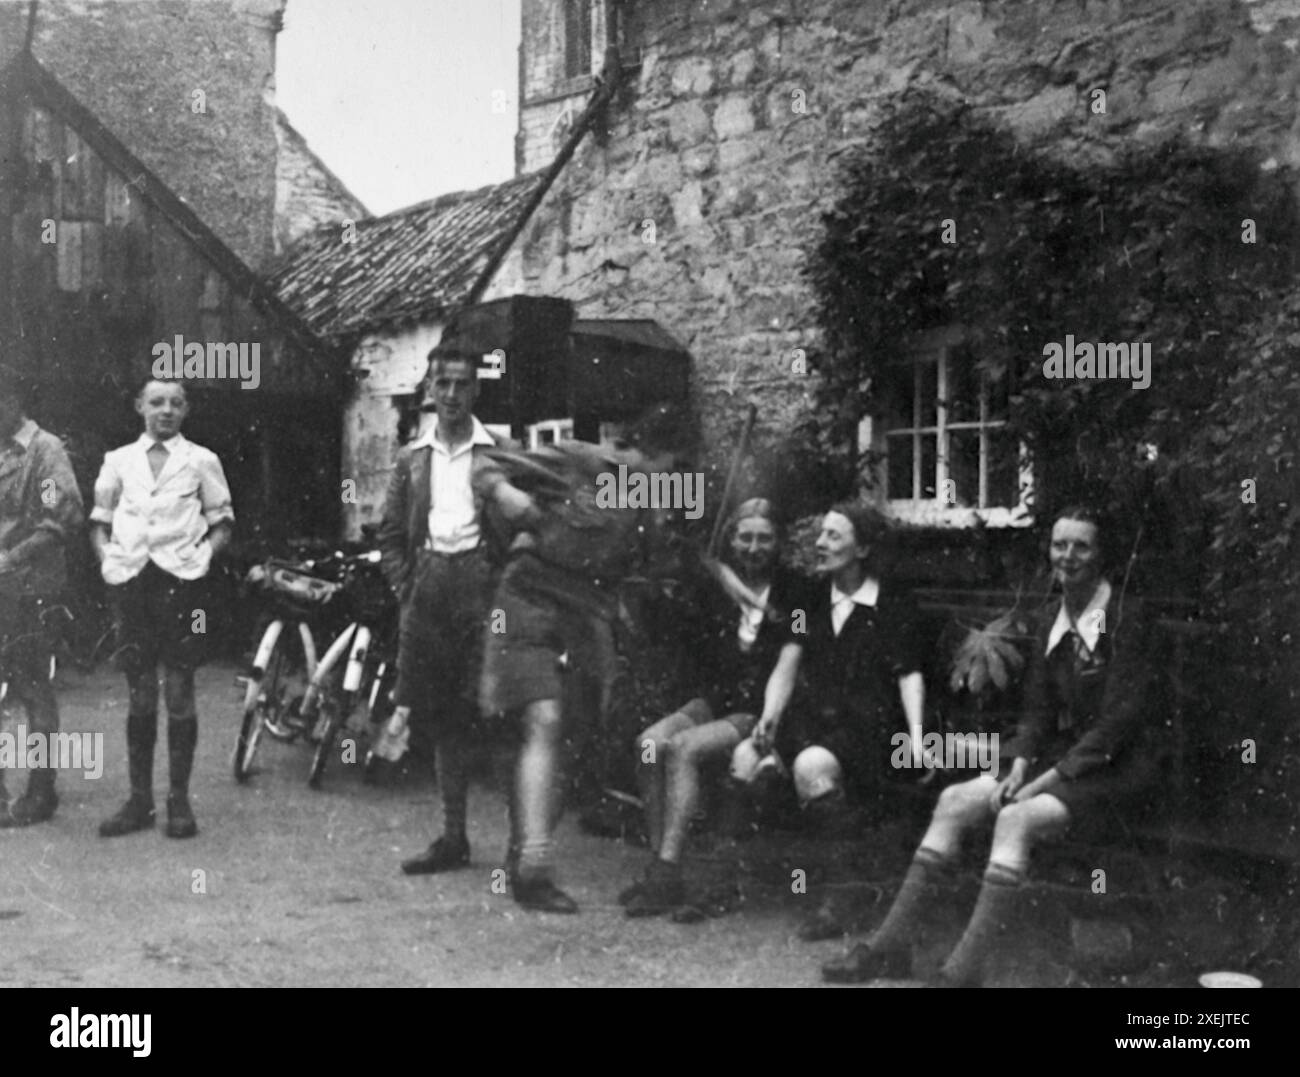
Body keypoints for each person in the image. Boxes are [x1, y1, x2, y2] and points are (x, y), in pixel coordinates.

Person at [822, 505, 1165, 986]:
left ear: (1102, 554)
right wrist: (1021, 762)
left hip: (1117, 768)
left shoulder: (1127, 618)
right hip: (1061, 760)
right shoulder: (1052, 617)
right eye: (1059, 545)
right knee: (954, 801)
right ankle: (889, 947)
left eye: (1081, 545)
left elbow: (1116, 726)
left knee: (1015, 817)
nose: (1068, 556)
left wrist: (1039, 782)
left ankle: (961, 973)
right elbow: (1037, 714)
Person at [476, 406, 694, 914]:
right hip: (527, 596)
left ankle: (523, 853)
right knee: (544, 717)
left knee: (575, 739)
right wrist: (505, 493)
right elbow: (484, 461)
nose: (667, 481)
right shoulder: (579, 460)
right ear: (642, 453)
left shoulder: (653, 496)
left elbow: (657, 563)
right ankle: (533, 867)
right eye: (666, 469)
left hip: (589, 612)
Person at [731, 501, 930, 940]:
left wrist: (917, 739)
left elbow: (909, 673)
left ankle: (842, 895)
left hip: (873, 727)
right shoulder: (809, 601)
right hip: (813, 719)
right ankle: (748, 882)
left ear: (863, 549)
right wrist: (769, 718)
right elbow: (789, 659)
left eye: (833, 536)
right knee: (746, 758)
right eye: (821, 533)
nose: (820, 543)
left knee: (810, 767)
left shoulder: (893, 605)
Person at [621, 497, 812, 918]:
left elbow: (790, 659)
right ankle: (661, 867)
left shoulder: (797, 594)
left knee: (683, 749)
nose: (753, 547)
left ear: (778, 543)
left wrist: (770, 717)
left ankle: (668, 868)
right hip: (714, 701)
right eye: (745, 537)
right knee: (649, 743)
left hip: (758, 707)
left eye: (764, 538)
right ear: (731, 539)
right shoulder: (714, 587)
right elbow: (679, 628)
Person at [378, 337, 514, 876]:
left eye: (462, 383)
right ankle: (453, 836)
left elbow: (521, 525)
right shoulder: (413, 459)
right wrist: (406, 587)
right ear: (430, 390)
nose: (452, 394)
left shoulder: (500, 452)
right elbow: (389, 533)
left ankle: (516, 847)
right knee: (442, 720)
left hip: (483, 591)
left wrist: (501, 589)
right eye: (443, 384)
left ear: (477, 389)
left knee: (498, 715)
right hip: (429, 588)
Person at [92, 379, 234, 839]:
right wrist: (110, 559)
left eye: (175, 403)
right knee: (139, 692)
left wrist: (202, 558)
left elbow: (222, 522)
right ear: (140, 407)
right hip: (132, 584)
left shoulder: (201, 460)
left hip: (181, 586)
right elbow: (99, 523)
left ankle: (179, 801)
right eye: (156, 402)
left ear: (186, 409)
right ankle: (139, 801)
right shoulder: (118, 461)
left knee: (178, 688)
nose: (166, 410)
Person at [0, 363, 85, 827]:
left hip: (31, 588)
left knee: (32, 687)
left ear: (15, 401)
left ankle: (41, 790)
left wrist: (10, 558)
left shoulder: (44, 451)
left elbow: (59, 521)